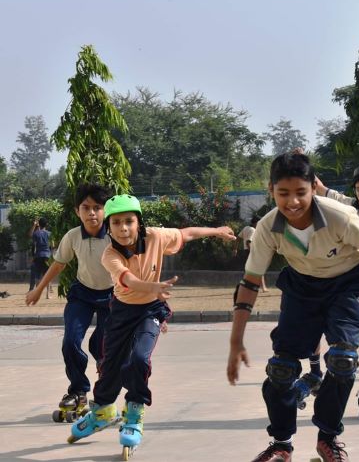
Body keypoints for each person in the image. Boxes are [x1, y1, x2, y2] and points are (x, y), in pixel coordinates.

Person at [226, 152, 359, 462]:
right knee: (281, 369)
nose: (292, 202)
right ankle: (281, 444)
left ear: (313, 188)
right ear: (271, 190)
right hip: (302, 287)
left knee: (344, 359)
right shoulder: (268, 227)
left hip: (348, 283)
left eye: (300, 193)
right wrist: (235, 340)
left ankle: (328, 438)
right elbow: (250, 282)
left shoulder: (340, 216)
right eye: (283, 194)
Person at [69, 194, 236, 456]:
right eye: (116, 224)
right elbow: (128, 280)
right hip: (122, 312)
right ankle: (102, 411)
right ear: (109, 228)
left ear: (139, 223)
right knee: (109, 365)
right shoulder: (109, 254)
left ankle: (134, 412)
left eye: (129, 222)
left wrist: (217, 231)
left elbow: (187, 233)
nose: (123, 229)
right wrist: (153, 287)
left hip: (151, 310)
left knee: (138, 359)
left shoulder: (157, 237)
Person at [296, 165, 359, 418]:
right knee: (314, 326)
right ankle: (315, 373)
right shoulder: (344, 205)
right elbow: (318, 186)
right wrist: (302, 162)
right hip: (325, 277)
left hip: (356, 283)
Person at [26, 184, 113, 422]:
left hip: (112, 297)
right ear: (78, 211)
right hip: (82, 294)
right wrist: (38, 290)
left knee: (101, 346)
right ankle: (78, 391)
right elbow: (58, 264)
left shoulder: (114, 234)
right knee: (70, 342)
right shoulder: (73, 236)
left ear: (106, 211)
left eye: (97, 208)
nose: (92, 213)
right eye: (86, 208)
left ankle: (105, 390)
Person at [234, 218, 268, 292]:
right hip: (251, 251)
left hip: (246, 251)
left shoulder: (246, 228)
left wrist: (235, 249)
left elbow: (238, 239)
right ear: (255, 223)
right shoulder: (253, 230)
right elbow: (248, 242)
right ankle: (263, 287)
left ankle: (244, 287)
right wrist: (253, 252)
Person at [29, 217, 52, 297]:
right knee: (48, 275)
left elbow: (30, 235)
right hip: (47, 256)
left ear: (39, 224)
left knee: (37, 276)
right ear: (46, 224)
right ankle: (47, 295)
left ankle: (37, 294)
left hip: (38, 255)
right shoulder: (49, 233)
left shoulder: (36, 233)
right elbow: (52, 245)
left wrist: (34, 225)